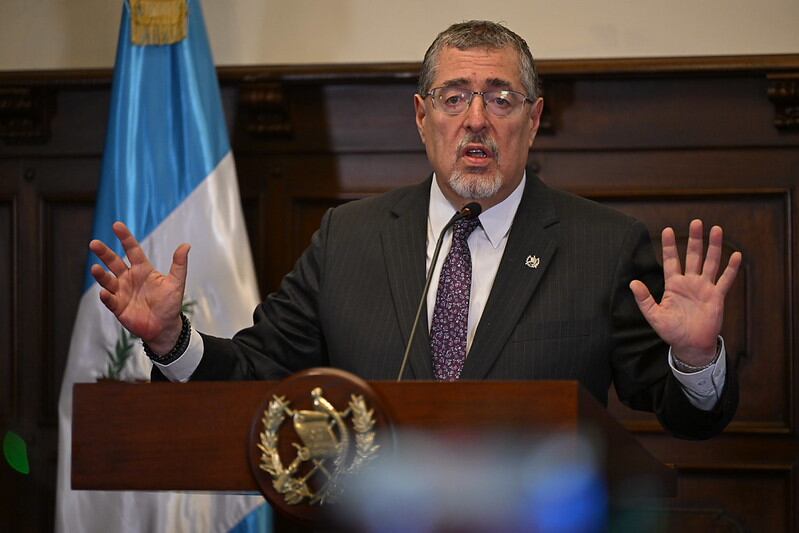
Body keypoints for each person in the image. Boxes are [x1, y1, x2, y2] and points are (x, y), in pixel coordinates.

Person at [89, 20, 741, 439]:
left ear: (534, 118)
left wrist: (694, 359)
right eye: (454, 97)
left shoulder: (604, 245)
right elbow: (258, 372)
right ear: (422, 117)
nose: (477, 119)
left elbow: (685, 415)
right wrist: (172, 340)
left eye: (501, 98)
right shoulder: (347, 237)